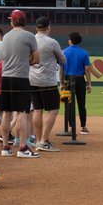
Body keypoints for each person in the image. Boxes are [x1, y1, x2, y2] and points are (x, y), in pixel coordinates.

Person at [0, 10, 40, 158]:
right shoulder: (29, 36)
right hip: (21, 78)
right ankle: (22, 147)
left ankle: (5, 147)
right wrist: (25, 61)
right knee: (22, 112)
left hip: (6, 78)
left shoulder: (6, 37)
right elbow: (36, 59)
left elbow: (3, 57)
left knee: (7, 112)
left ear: (12, 22)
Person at [30, 17, 65, 152]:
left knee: (37, 109)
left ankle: (38, 140)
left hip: (32, 79)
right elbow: (63, 59)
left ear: (36, 27)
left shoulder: (31, 40)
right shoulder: (52, 42)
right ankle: (44, 141)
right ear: (48, 27)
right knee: (53, 109)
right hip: (47, 81)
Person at [62, 32, 98, 134]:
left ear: (70, 41)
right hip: (80, 80)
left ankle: (70, 127)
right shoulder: (84, 53)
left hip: (67, 80)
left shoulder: (63, 52)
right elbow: (87, 69)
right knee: (82, 104)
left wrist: (62, 83)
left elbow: (61, 69)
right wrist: (89, 84)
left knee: (68, 104)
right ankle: (83, 127)